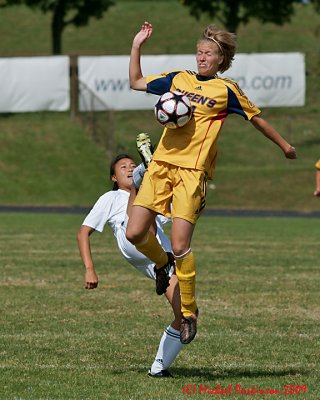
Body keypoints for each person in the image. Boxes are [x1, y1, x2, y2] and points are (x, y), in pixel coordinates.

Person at [126, 21, 297, 345]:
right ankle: (162, 266)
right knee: (134, 233)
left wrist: (285, 146)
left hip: (192, 173)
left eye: (209, 54)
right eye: (200, 52)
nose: (202, 58)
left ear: (222, 59)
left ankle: (189, 312)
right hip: (161, 165)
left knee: (180, 246)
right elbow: (136, 82)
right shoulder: (179, 79)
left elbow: (256, 119)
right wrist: (137, 46)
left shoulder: (226, 90)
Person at [77, 147, 184, 378]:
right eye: (123, 167)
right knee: (141, 215)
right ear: (114, 178)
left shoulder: (156, 194)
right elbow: (83, 233)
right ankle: (145, 182)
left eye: (132, 166)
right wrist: (89, 269)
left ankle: (159, 368)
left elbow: (177, 215)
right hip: (133, 242)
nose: (128, 168)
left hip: (162, 260)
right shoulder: (111, 197)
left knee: (186, 315)